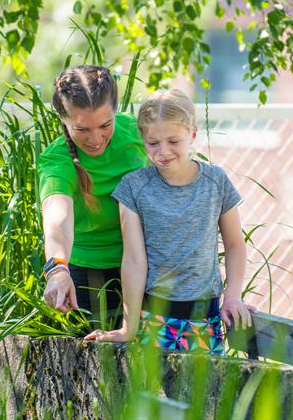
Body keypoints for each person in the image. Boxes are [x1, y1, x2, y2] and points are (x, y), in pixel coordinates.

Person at [84, 89, 252, 354]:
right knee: (151, 392)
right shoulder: (134, 187)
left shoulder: (216, 182)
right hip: (154, 316)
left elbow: (234, 245)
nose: (163, 152)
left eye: (174, 141)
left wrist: (232, 295)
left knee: (202, 393)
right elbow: (134, 260)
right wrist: (129, 327)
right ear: (143, 139)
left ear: (193, 134)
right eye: (153, 143)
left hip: (204, 318)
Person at [37, 65, 146, 326]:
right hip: (88, 279)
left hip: (148, 268)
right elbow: (57, 219)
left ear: (116, 111)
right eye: (82, 130)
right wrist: (57, 268)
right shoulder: (57, 160)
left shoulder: (139, 133)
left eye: (105, 125)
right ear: (63, 118)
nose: (96, 139)